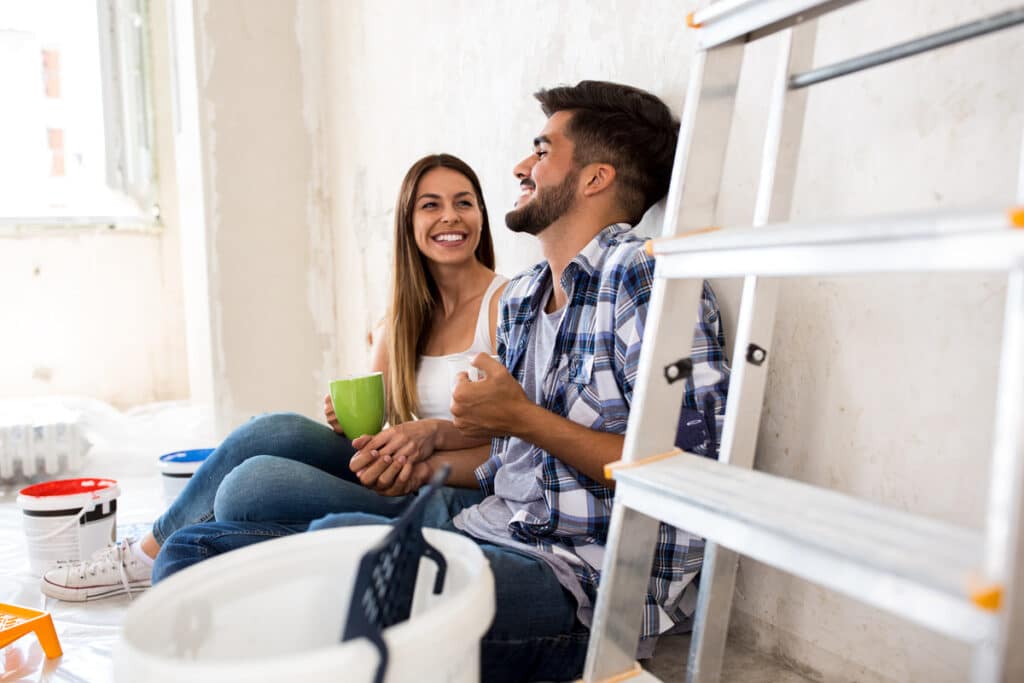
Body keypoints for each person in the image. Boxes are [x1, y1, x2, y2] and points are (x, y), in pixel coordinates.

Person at [152, 80, 730, 683]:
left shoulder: (646, 280)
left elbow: (687, 476)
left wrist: (521, 418)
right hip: (492, 529)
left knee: (341, 543)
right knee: (195, 549)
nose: (519, 166)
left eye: (541, 150)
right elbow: (508, 463)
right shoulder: (529, 299)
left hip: (580, 588)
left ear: (594, 178)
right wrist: (428, 444)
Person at [40, 153, 507, 602]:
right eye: (432, 205)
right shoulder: (403, 320)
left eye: (464, 202)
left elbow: (522, 449)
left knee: (249, 490)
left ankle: (180, 553)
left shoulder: (507, 306)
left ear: (481, 216)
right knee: (273, 431)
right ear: (408, 223)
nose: (451, 217)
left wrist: (424, 453)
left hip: (462, 492)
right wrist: (353, 425)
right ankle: (147, 555)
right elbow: (374, 433)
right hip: (404, 474)